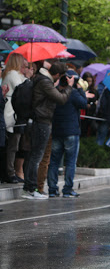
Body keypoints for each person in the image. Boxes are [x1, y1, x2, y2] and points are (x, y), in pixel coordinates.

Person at [22, 61, 73, 200]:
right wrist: (69, 87)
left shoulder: (42, 80)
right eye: (61, 76)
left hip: (39, 120)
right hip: (41, 121)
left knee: (34, 156)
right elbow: (61, 99)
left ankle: (29, 188)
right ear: (57, 74)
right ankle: (31, 189)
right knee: (36, 156)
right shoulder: (45, 82)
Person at [48, 70, 87, 198]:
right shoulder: (74, 93)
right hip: (71, 132)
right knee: (70, 162)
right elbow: (84, 104)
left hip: (57, 130)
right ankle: (67, 189)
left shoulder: (55, 92)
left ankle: (52, 189)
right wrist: (80, 89)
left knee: (54, 161)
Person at [2, 53, 28, 183]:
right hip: (11, 113)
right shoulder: (12, 74)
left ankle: (11, 171)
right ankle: (10, 172)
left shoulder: (13, 74)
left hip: (13, 111)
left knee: (14, 145)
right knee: (13, 145)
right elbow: (22, 89)